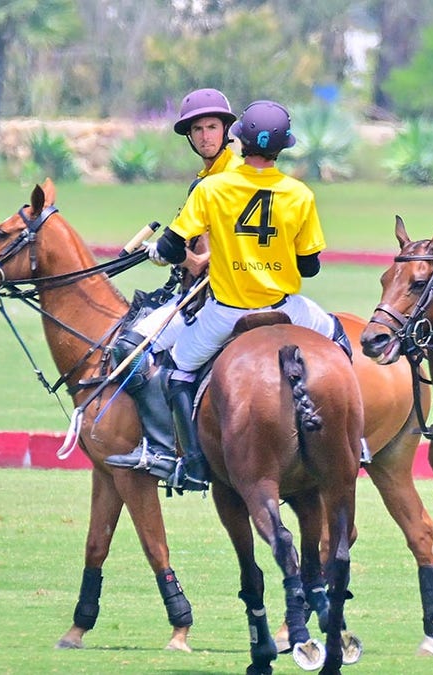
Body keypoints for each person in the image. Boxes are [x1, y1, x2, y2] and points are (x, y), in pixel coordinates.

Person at [125, 99, 346, 492]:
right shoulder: (300, 194)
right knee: (340, 341)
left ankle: (191, 461)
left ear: (238, 139)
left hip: (227, 312)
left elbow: (173, 247)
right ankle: (353, 440)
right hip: (286, 308)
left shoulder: (212, 189)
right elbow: (310, 266)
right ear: (283, 148)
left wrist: (160, 253)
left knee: (176, 370)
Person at [105, 88, 241, 481]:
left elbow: (205, 259)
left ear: (226, 128)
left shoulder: (224, 180)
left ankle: (164, 448)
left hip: (213, 295)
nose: (204, 136)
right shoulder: (214, 175)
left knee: (129, 348)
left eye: (212, 127)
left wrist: (168, 253)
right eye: (196, 129)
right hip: (224, 289)